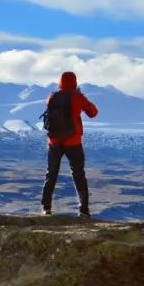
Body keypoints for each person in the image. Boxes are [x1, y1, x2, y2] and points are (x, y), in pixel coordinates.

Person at [41, 71, 98, 217]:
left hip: (54, 141)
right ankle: (83, 210)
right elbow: (93, 112)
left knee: (51, 174)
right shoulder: (77, 97)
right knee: (78, 174)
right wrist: (79, 96)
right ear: (75, 82)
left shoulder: (51, 97)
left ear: (60, 82)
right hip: (73, 142)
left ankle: (46, 208)